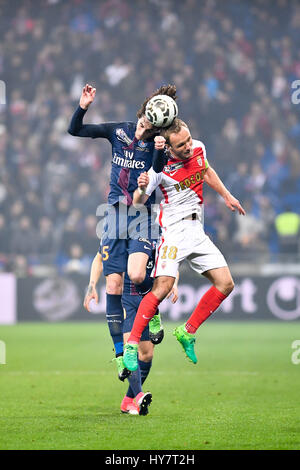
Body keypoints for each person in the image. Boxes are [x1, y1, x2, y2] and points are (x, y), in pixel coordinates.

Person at [68, 83, 178, 375]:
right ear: (144, 109)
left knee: (138, 274)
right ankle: (119, 355)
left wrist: (157, 153)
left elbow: (156, 172)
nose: (147, 121)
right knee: (113, 286)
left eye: (154, 120)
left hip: (142, 215)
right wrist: (83, 106)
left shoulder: (158, 145)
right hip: (114, 215)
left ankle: (153, 314)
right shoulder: (118, 131)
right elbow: (75, 131)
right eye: (146, 114)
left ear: (159, 124)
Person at [123, 118, 246, 371]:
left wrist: (227, 196)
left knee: (226, 284)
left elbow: (206, 170)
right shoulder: (160, 170)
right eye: (181, 145)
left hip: (196, 231)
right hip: (173, 232)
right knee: (162, 289)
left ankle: (187, 332)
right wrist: (140, 188)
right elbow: (137, 202)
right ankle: (132, 345)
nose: (188, 146)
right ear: (168, 147)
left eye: (189, 140)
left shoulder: (199, 148)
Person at [83, 250, 178, 415]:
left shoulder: (156, 234)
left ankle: (128, 400)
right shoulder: (124, 235)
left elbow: (172, 260)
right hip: (127, 301)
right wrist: (92, 285)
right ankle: (140, 396)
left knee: (147, 354)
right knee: (130, 351)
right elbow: (99, 258)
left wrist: (173, 283)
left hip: (148, 300)